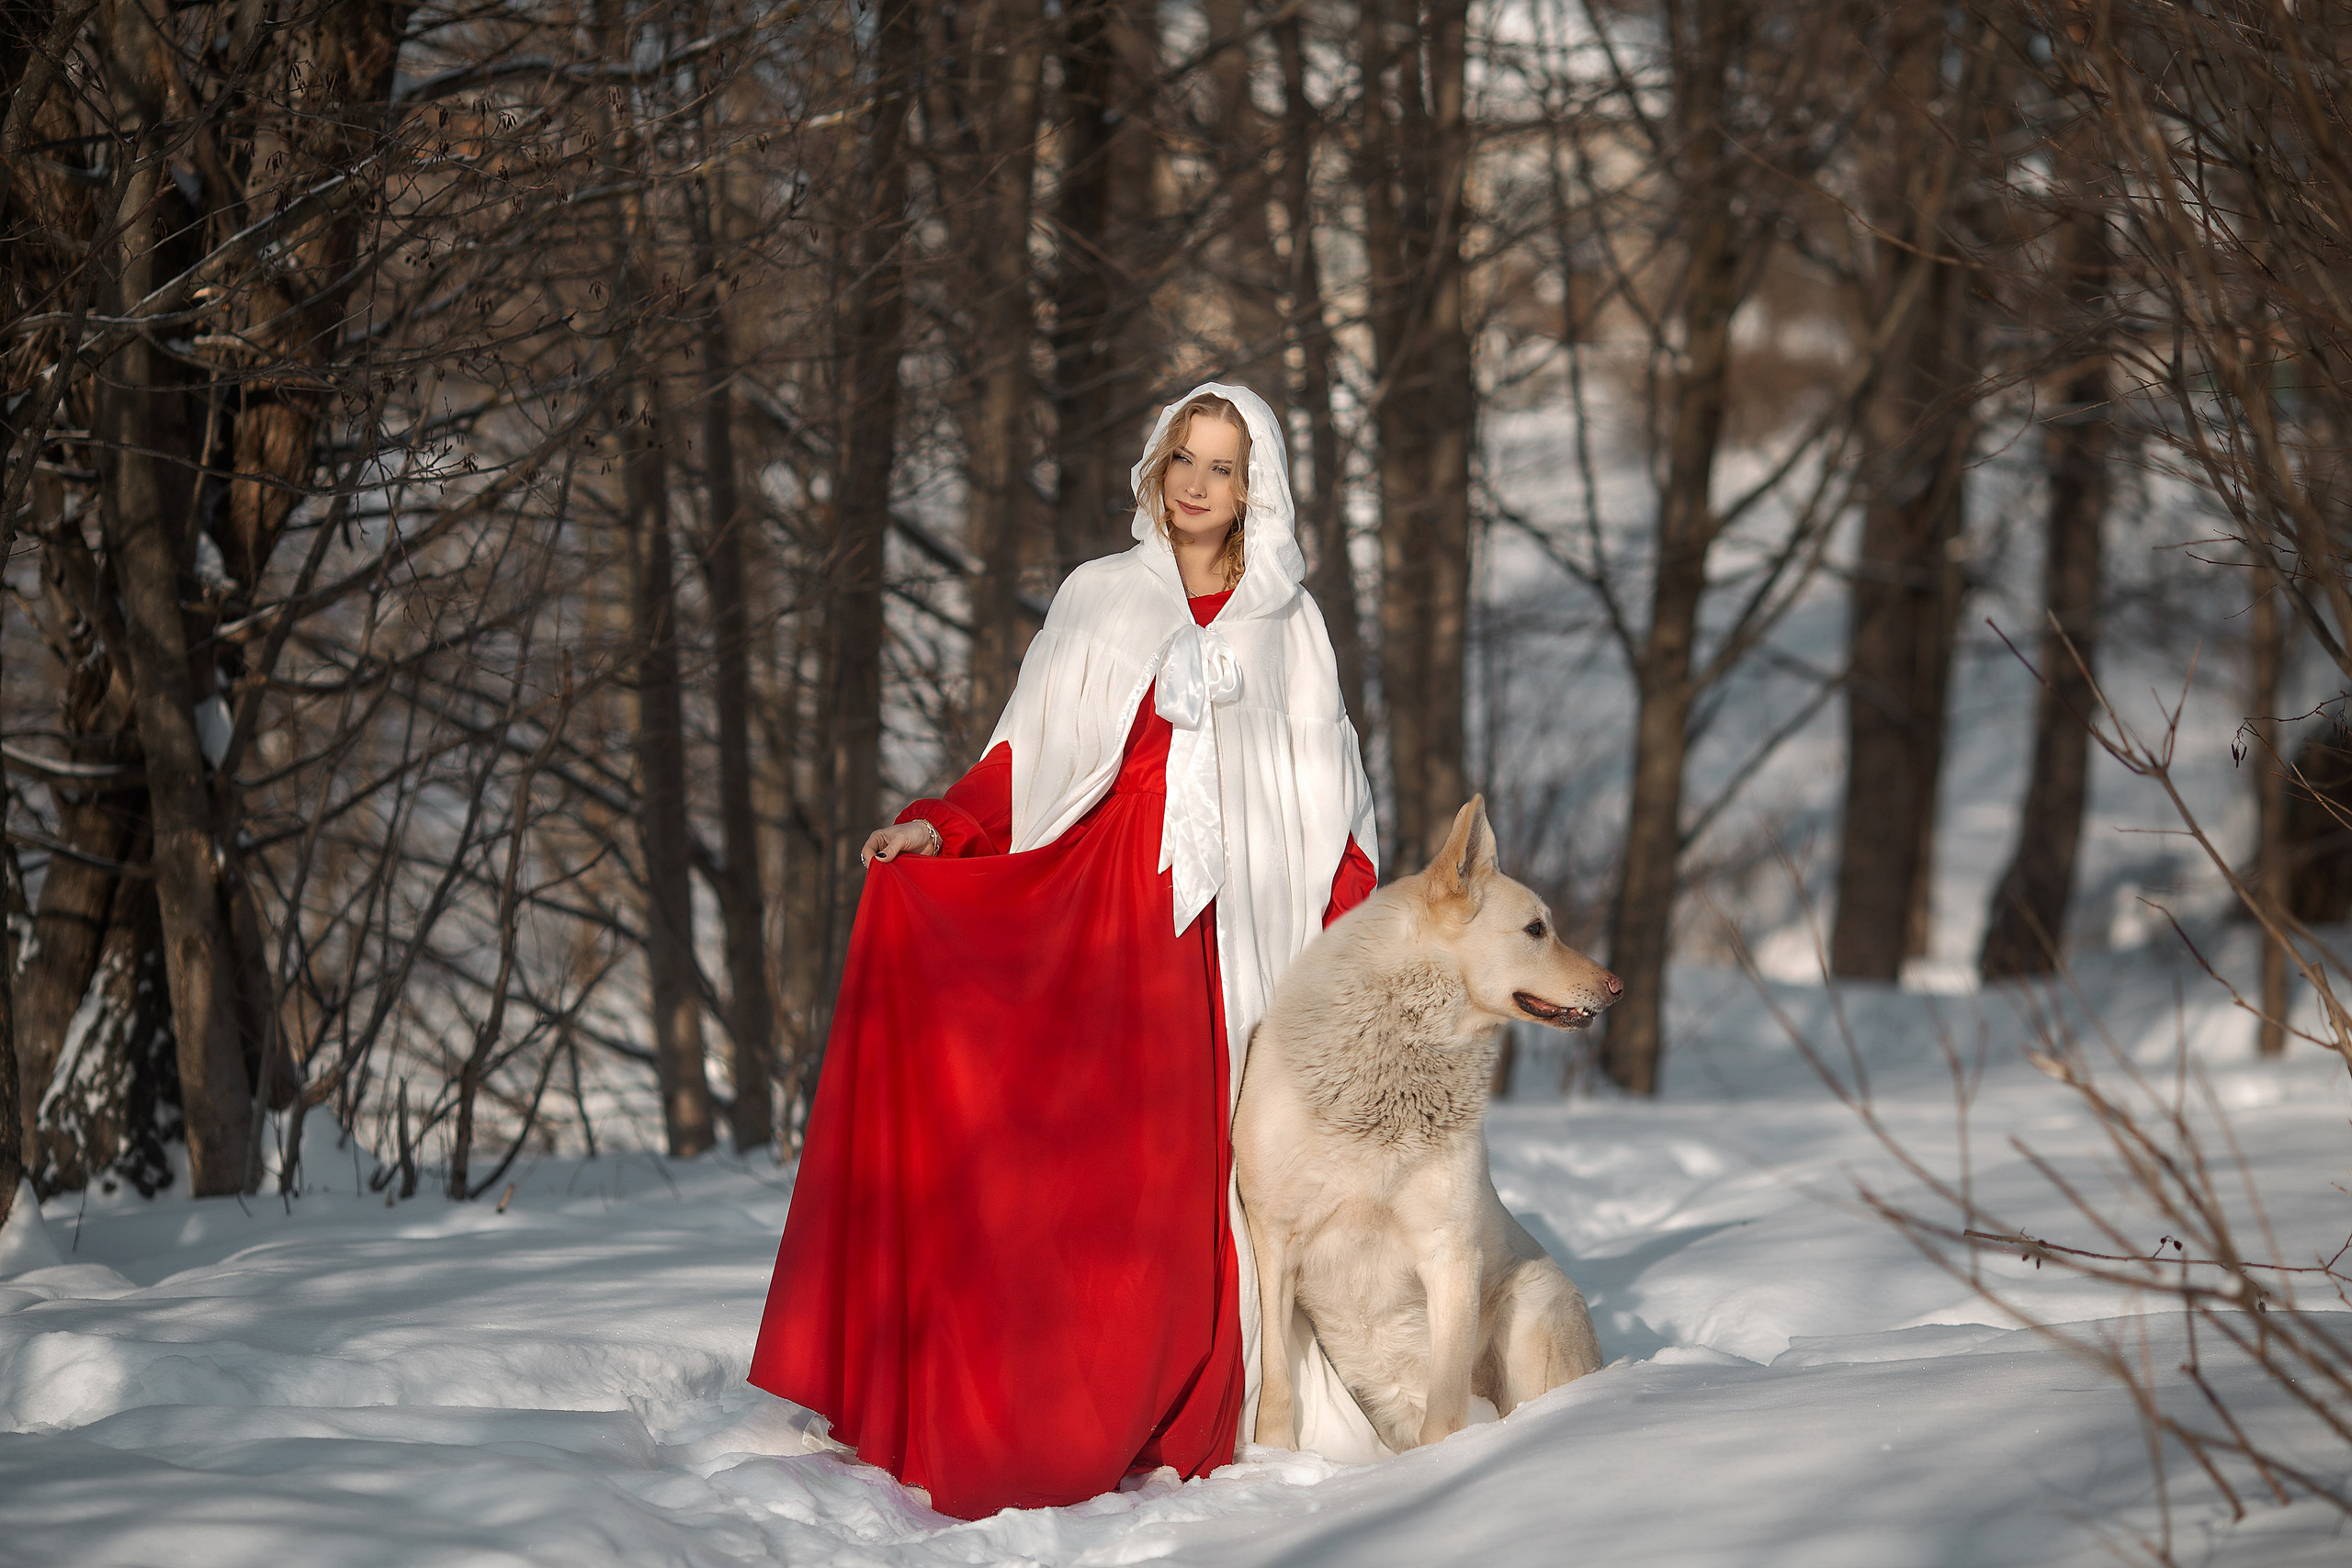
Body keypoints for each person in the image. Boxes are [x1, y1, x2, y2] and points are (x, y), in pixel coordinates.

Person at [747, 382, 1389, 1519]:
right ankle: (1029, 1402)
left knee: (1184, 1183)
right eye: (1184, 457)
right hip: (1096, 911)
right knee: (1072, 1167)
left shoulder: (1288, 622)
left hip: (1221, 943)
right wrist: (940, 828)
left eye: (1224, 466)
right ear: (1156, 463)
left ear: (1257, 488)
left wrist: (1339, 936)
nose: (1197, 484)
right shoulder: (1102, 594)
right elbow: (1023, 752)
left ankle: (1170, 1405)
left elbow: (1334, 803)